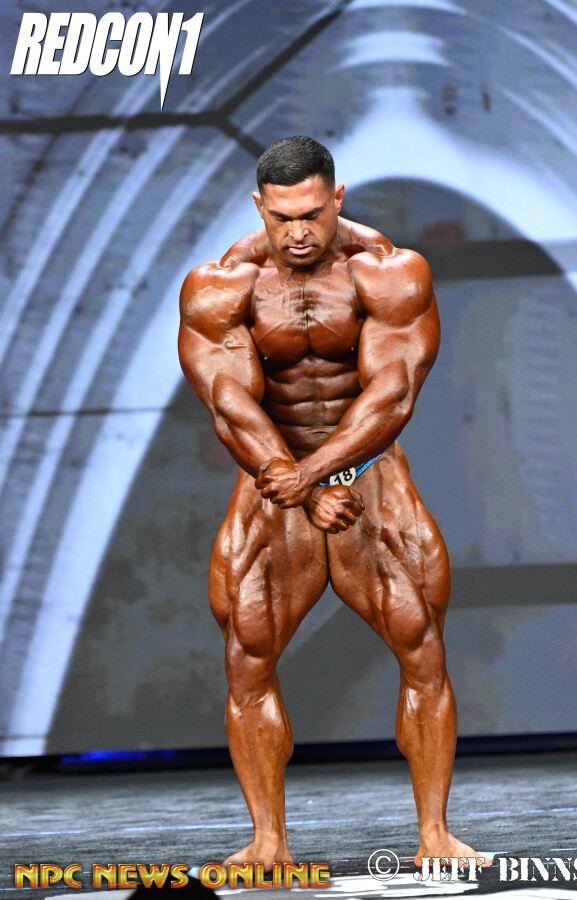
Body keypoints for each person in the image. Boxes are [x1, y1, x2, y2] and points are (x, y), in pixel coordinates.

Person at [178, 136, 485, 869]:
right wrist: (300, 484)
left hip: (369, 472)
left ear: (337, 197)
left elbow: (393, 393)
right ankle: (268, 842)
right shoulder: (220, 286)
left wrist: (319, 474)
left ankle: (435, 835)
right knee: (248, 655)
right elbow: (229, 404)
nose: (298, 232)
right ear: (260, 207)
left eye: (311, 214)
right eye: (282, 218)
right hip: (271, 478)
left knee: (422, 646)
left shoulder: (390, 272)